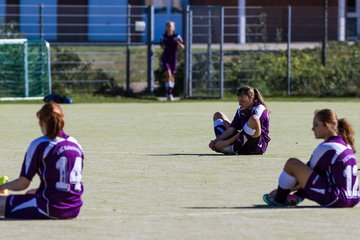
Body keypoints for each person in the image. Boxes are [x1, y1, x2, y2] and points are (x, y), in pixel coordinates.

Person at [0, 102, 84, 219]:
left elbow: (23, 183)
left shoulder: (40, 144)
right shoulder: (76, 144)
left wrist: (3, 186)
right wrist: (39, 190)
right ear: (62, 120)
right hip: (74, 208)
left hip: (49, 208)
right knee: (31, 194)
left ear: (41, 123)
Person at [263, 109, 360, 207]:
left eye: (316, 125)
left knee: (292, 164)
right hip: (354, 198)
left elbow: (302, 177)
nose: (313, 128)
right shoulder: (346, 145)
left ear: (327, 125)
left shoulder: (327, 147)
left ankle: (278, 200)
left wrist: (282, 191)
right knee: (321, 173)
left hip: (337, 199)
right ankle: (297, 197)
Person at [209, 86, 270, 155]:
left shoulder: (260, 109)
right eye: (239, 101)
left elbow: (245, 131)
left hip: (256, 146)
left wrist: (226, 143)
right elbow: (231, 129)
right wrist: (216, 141)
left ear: (251, 98)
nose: (240, 104)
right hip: (242, 140)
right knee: (218, 115)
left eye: (242, 101)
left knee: (254, 119)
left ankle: (232, 148)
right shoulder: (240, 110)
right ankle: (222, 146)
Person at [160, 21, 185, 101]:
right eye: (167, 26)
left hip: (173, 58)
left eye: (170, 26)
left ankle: (169, 92)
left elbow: (182, 46)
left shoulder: (177, 36)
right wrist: (163, 46)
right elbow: (162, 46)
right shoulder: (163, 36)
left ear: (173, 27)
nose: (169, 28)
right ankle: (169, 93)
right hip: (166, 58)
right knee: (168, 73)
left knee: (172, 76)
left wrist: (177, 42)